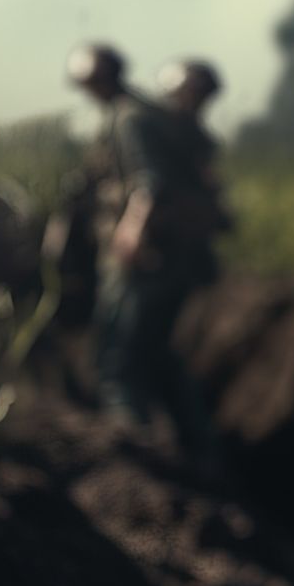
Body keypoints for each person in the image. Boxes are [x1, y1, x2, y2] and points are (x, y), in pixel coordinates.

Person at [68, 44, 224, 464]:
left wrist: (131, 232)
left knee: (116, 358)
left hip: (146, 260)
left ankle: (133, 456)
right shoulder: (147, 115)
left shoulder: (130, 117)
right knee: (156, 355)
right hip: (170, 258)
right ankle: (200, 450)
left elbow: (150, 182)